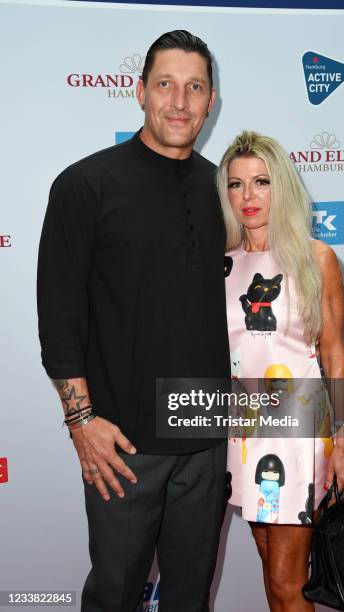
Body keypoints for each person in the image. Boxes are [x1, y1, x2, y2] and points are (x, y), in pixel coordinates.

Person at [37, 31, 230, 612]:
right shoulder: (85, 185)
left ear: (211, 101)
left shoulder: (222, 189)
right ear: (140, 91)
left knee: (189, 598)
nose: (179, 101)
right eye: (165, 85)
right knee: (115, 595)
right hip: (121, 445)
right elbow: (59, 315)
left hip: (206, 440)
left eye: (194, 87)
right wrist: (81, 422)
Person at [216, 131, 344, 611]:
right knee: (273, 572)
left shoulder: (316, 257)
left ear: (281, 186)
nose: (248, 197)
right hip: (242, 429)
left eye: (261, 182)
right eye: (236, 184)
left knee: (287, 583)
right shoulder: (219, 264)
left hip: (299, 433)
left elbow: (333, 354)